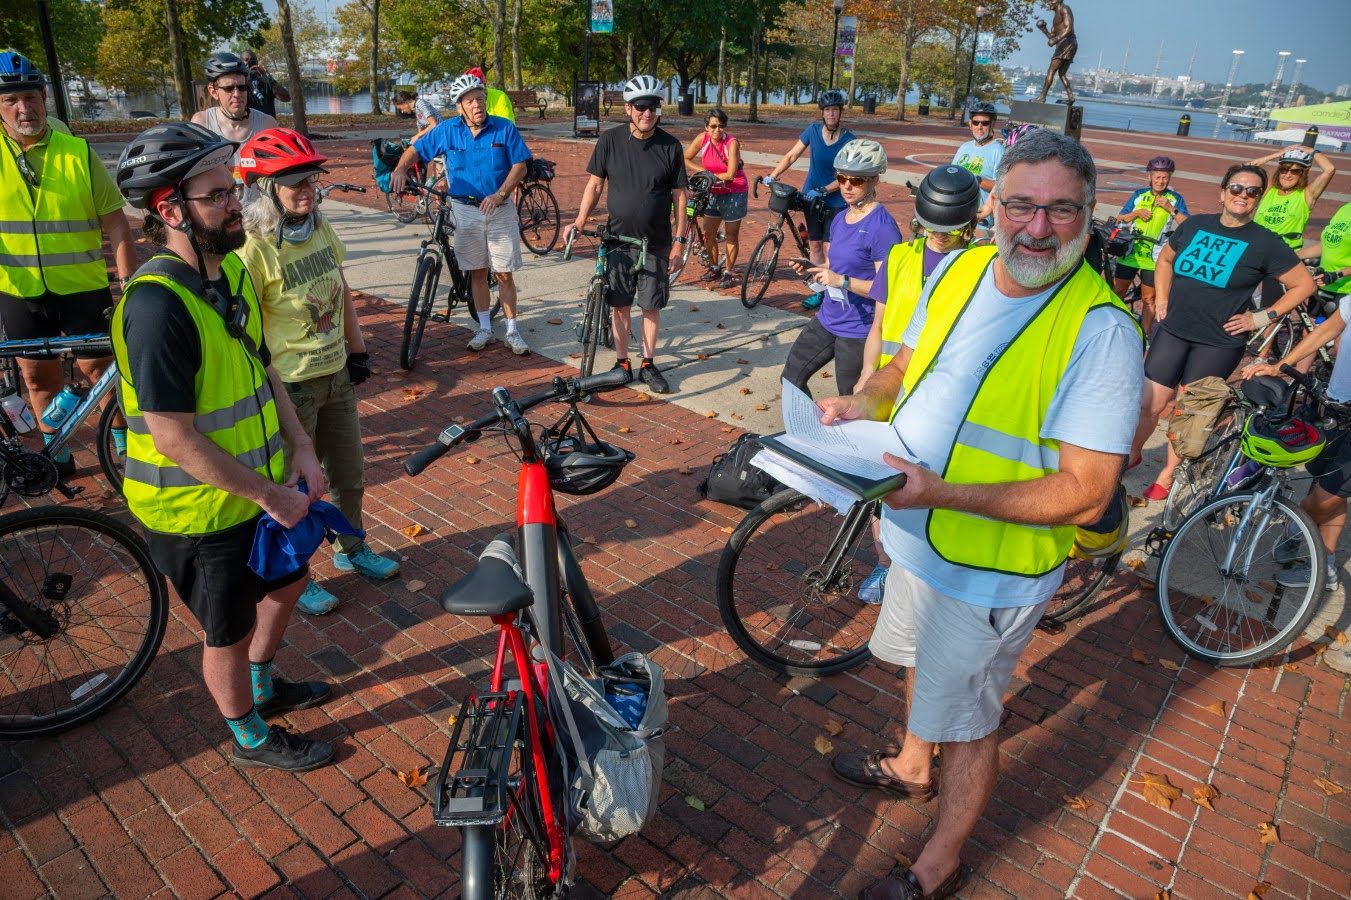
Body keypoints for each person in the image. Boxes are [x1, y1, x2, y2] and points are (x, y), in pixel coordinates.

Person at [819, 129, 1142, 899]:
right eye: (1022, 205)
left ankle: (940, 862)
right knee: (916, 671)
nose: (1037, 228)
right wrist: (858, 403)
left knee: (968, 717)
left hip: (987, 570)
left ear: (1089, 216)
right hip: (915, 537)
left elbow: (1087, 491)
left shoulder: (1100, 333)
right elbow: (904, 364)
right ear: (992, 204)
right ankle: (908, 765)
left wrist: (938, 493)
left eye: (1060, 211)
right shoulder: (960, 266)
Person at [113, 121, 335, 771]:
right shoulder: (155, 306)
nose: (236, 203)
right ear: (170, 209)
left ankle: (264, 686)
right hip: (198, 511)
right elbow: (173, 436)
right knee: (228, 633)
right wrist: (271, 496)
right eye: (218, 196)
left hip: (257, 492)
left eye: (232, 190)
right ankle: (249, 736)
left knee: (288, 584)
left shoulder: (233, 270)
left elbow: (263, 367)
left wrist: (300, 447)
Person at [237, 127, 400, 615]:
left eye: (310, 180)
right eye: (294, 183)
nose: (307, 190)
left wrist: (357, 348)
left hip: (334, 376)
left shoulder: (321, 226)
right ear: (265, 191)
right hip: (291, 386)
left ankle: (352, 550)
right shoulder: (253, 250)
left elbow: (341, 288)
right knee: (294, 487)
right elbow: (248, 333)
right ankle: (294, 573)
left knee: (348, 475)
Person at [1128, 164, 1314, 501]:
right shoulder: (1196, 226)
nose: (1243, 195)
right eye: (1237, 188)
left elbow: (1303, 285)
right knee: (1148, 404)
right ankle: (1132, 455)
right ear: (1223, 192)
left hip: (1218, 341)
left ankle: (1168, 475)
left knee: (1190, 413)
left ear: (1259, 199)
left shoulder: (1265, 242)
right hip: (1173, 329)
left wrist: (1260, 318)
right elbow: (1165, 260)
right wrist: (1163, 297)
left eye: (1252, 191)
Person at [0, 49, 134, 476]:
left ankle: (123, 442)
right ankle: (57, 452)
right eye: (10, 100)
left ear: (44, 97)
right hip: (19, 294)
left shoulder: (76, 152)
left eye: (31, 97)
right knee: (39, 381)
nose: (24, 108)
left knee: (103, 374)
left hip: (82, 288)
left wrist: (129, 284)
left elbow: (117, 224)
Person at [854, 164, 981, 605]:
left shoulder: (981, 268)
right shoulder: (901, 257)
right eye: (932, 225)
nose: (939, 235)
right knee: (882, 489)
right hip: (891, 389)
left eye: (951, 228)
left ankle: (927, 570)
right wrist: (867, 377)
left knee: (930, 487)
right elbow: (879, 324)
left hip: (942, 399)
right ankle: (885, 565)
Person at [390, 74, 532, 354]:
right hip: (465, 210)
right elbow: (416, 150)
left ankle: (513, 330)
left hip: (499, 209)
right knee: (477, 272)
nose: (478, 105)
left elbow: (521, 166)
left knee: (503, 273)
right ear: (459, 107)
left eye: (480, 99)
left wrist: (500, 194)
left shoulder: (503, 128)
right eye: (470, 101)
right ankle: (485, 329)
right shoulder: (448, 130)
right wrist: (400, 169)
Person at [567, 75, 688, 394]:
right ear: (628, 108)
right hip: (618, 241)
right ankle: (623, 362)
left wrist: (679, 241)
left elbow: (680, 196)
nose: (647, 113)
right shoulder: (609, 141)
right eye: (640, 106)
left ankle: (648, 363)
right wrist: (579, 220)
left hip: (656, 243)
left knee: (651, 306)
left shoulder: (670, 146)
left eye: (653, 107)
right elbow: (595, 184)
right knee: (619, 305)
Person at [1244, 288, 1351, 590]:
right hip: (1335, 406)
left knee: (1323, 499)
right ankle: (1325, 565)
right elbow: (1325, 331)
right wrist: (1282, 366)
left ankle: (1296, 528)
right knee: (1331, 491)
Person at [782, 139, 901, 399]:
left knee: (850, 401)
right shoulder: (840, 217)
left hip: (859, 331)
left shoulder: (883, 229)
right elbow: (833, 267)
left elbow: (888, 290)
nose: (847, 185)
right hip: (827, 319)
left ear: (874, 181)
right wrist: (814, 269)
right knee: (791, 378)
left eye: (856, 180)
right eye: (842, 177)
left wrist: (842, 281)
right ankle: (809, 433)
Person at [763, 89, 854, 309]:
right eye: (827, 110)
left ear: (840, 112)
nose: (831, 114)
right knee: (814, 247)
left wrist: (824, 189)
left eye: (835, 110)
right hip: (811, 200)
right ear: (822, 113)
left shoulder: (849, 139)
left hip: (836, 202)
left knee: (830, 250)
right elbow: (792, 155)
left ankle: (833, 292)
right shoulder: (812, 131)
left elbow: (847, 175)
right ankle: (819, 291)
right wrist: (773, 175)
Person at [1112, 155, 1190, 333]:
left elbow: (1188, 225)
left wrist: (1171, 209)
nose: (1161, 181)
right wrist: (1136, 213)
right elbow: (1120, 219)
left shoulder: (1175, 199)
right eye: (1157, 177)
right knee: (1117, 292)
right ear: (1150, 177)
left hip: (1155, 257)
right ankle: (1116, 328)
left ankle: (1144, 336)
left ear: (1169, 178)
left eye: (1165, 177)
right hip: (1131, 252)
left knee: (1149, 299)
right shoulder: (1138, 195)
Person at [682, 107, 747, 289]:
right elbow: (685, 157)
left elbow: (731, 173)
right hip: (713, 191)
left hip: (734, 191)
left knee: (731, 235)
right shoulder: (702, 139)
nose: (718, 130)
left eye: (721, 126)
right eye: (713, 126)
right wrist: (702, 173)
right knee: (708, 232)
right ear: (706, 127)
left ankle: (728, 272)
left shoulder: (731, 143)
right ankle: (714, 266)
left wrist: (711, 177)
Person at [190, 52, 277, 170]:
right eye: (229, 88)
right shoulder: (202, 123)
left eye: (242, 87)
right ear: (213, 92)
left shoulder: (267, 124)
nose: (237, 94)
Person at [1247, 145, 1337, 250]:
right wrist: (1278, 154)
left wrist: (1313, 152)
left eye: (1294, 171)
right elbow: (1246, 168)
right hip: (1256, 246)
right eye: (1284, 170)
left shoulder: (1307, 194)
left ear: (1301, 174)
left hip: (1286, 251)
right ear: (1279, 172)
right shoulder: (1269, 190)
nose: (1288, 175)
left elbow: (1329, 170)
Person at [950, 101, 1003, 221]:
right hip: (955, 213)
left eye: (985, 123)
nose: (979, 127)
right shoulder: (964, 147)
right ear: (970, 124)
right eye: (975, 122)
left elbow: (1001, 188)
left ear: (992, 124)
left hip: (980, 218)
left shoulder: (998, 151)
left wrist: (975, 179)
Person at [1298, 201, 1351, 298]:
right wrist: (1295, 255)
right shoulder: (1346, 208)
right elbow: (1326, 245)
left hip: (1346, 291)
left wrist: (1336, 275)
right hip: (1324, 283)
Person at [1035, 0, 1077, 104]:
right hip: (1067, 44)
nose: (1049, 3)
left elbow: (1069, 28)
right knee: (1062, 73)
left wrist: (1056, 39)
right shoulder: (1055, 18)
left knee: (1051, 71)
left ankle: (1042, 97)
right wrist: (1043, 29)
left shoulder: (1064, 9)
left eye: (1051, 1)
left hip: (1067, 44)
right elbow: (1051, 36)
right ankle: (1071, 97)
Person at [239, 50, 291, 119]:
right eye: (246, 60)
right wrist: (247, 77)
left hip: (268, 126)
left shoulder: (266, 81)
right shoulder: (240, 83)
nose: (250, 63)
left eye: (253, 60)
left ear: (257, 62)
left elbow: (286, 98)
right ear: (241, 63)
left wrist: (269, 79)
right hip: (250, 126)